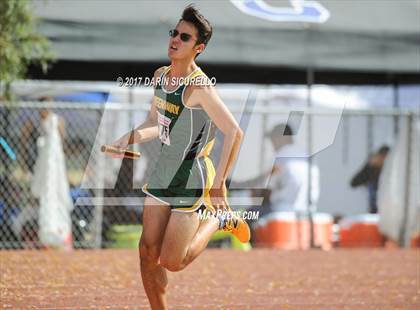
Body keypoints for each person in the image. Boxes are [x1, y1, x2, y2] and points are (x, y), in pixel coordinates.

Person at [110, 6, 250, 309]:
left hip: (192, 175)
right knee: (147, 250)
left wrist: (220, 184)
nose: (175, 39)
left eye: (184, 37)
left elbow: (235, 132)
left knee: (172, 262)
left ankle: (216, 220)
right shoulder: (161, 76)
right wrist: (129, 138)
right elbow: (154, 123)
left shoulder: (200, 86)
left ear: (198, 49)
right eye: (174, 32)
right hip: (164, 169)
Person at [350, 145, 390, 214]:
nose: (382, 160)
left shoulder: (393, 172)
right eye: (381, 157)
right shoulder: (371, 170)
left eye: (385, 157)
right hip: (375, 212)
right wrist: (369, 166)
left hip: (391, 211)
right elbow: (353, 183)